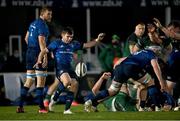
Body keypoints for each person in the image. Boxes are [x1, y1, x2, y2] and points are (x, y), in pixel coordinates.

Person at [34, 26, 105, 114]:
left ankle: (66, 109)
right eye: (68, 36)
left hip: (69, 69)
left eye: (71, 37)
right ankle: (54, 99)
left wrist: (97, 39)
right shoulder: (56, 43)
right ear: (62, 35)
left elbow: (87, 45)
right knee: (67, 82)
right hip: (60, 68)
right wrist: (39, 60)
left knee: (75, 84)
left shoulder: (74, 44)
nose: (70, 38)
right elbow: (43, 51)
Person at [84, 46, 167, 112]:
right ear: (156, 52)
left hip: (120, 68)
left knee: (112, 91)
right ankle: (157, 107)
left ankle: (90, 102)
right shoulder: (151, 54)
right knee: (150, 82)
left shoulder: (138, 53)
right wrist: (161, 81)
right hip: (131, 67)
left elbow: (120, 60)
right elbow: (156, 66)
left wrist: (115, 69)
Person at [16, 7, 52, 113]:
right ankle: (41, 107)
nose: (50, 16)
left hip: (29, 53)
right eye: (48, 14)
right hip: (38, 53)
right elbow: (41, 41)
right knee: (40, 82)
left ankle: (20, 106)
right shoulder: (42, 25)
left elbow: (26, 38)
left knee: (29, 80)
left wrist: (32, 48)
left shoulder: (33, 23)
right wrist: (44, 56)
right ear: (43, 14)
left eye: (51, 14)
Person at [154, 18, 180, 111]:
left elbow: (172, 35)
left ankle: (173, 104)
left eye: (172, 29)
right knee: (167, 87)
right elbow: (161, 39)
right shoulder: (169, 39)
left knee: (170, 87)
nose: (170, 31)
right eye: (169, 29)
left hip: (177, 65)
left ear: (178, 29)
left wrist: (161, 26)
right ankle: (169, 104)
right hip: (172, 66)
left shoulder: (177, 35)